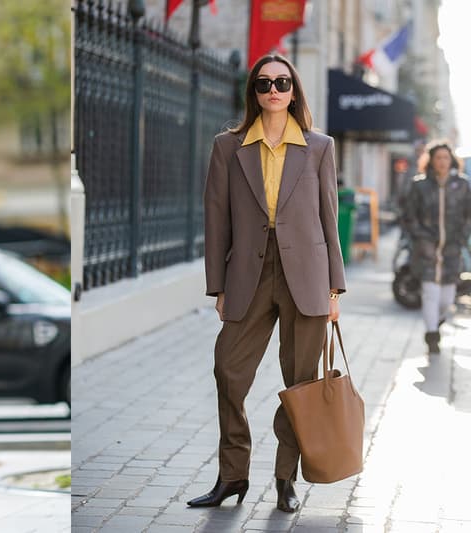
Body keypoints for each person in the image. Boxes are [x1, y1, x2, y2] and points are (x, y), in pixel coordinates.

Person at [188, 54, 345, 513]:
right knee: (228, 372)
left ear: (294, 90)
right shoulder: (228, 146)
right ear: (253, 92)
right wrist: (216, 286)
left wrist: (335, 288)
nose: (273, 90)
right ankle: (233, 476)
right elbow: (216, 218)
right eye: (264, 83)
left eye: (282, 82)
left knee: (300, 384)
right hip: (248, 274)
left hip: (309, 276)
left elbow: (328, 218)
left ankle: (284, 478)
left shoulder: (319, 146)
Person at [402, 140, 471, 354]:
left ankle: (437, 321)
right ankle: (432, 336)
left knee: (447, 299)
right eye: (438, 157)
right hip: (426, 248)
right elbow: (408, 216)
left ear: (451, 160)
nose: (442, 161)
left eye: (446, 157)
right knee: (430, 293)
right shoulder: (419, 185)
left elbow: (468, 215)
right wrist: (421, 237)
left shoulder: (462, 184)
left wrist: (461, 237)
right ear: (431, 160)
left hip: (451, 248)